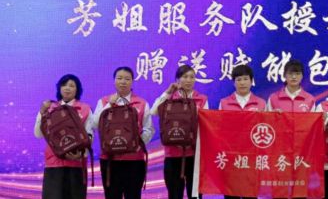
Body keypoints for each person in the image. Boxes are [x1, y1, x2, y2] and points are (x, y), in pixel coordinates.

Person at [93, 67, 154, 199]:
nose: (123, 82)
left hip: (134, 160)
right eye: (119, 78)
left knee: (133, 196)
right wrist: (110, 104)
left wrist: (137, 145)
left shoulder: (141, 103)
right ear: (114, 81)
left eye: (127, 79)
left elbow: (148, 129)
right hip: (110, 160)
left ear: (132, 81)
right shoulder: (104, 101)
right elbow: (95, 124)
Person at [151, 65, 209, 199]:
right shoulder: (169, 98)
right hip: (172, 154)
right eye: (185, 77)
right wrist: (167, 92)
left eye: (192, 77)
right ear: (177, 79)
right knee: (174, 194)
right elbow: (154, 111)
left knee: (195, 195)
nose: (189, 80)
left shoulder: (202, 99)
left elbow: (205, 125)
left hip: (194, 154)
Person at [34, 74, 93, 199]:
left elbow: (89, 135)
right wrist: (41, 113)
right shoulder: (49, 108)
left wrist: (81, 154)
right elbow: (38, 134)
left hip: (77, 164)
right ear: (59, 88)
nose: (67, 88)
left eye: (71, 86)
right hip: (54, 164)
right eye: (64, 85)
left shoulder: (85, 109)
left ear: (77, 89)